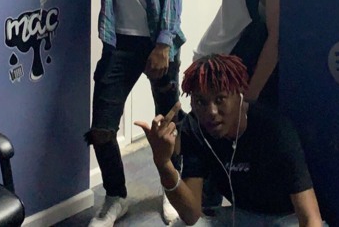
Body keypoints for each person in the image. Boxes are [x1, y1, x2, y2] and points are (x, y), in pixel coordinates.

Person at [77, 0, 186, 227]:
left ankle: (173, 191)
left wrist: (163, 44)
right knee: (102, 129)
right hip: (118, 42)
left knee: (169, 125)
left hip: (158, 42)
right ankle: (116, 197)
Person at [135, 54, 324, 226]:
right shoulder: (195, 129)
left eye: (220, 99)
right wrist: (163, 163)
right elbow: (191, 215)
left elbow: (310, 218)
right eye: (201, 102)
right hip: (240, 215)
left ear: (239, 93)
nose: (211, 112)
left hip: (285, 218)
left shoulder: (274, 130)